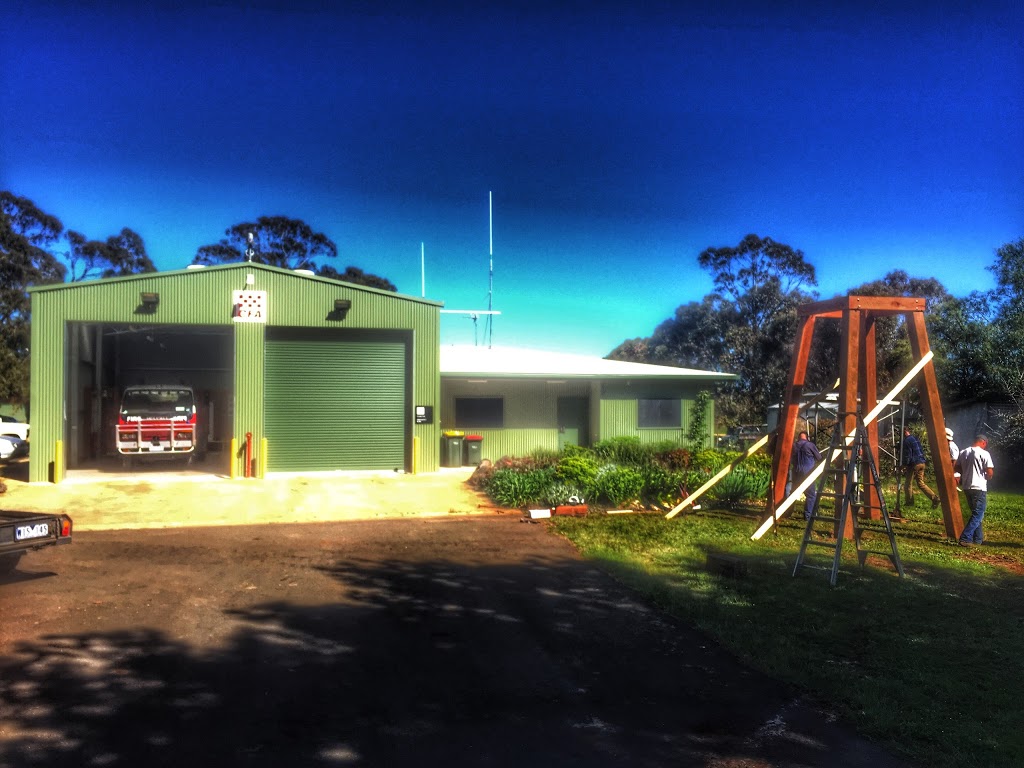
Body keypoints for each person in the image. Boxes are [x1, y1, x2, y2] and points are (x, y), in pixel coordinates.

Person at [956, 434, 995, 546]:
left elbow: (957, 467)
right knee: (978, 514)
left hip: (967, 486)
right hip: (979, 487)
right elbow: (990, 471)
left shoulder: (963, 452)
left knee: (975, 513)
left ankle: (978, 539)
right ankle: (965, 538)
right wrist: (988, 477)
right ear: (983, 442)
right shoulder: (984, 453)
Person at [901, 427, 939, 509]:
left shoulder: (906, 441)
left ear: (904, 432)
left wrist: (904, 465)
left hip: (914, 464)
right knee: (921, 483)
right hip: (922, 462)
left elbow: (908, 455)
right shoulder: (915, 438)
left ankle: (909, 503)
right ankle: (934, 498)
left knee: (908, 484)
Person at [791, 431, 822, 520]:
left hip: (796, 472)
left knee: (793, 493)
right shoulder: (810, 445)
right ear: (807, 438)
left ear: (798, 438)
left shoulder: (794, 445)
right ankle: (808, 515)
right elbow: (819, 458)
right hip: (807, 473)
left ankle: (787, 512)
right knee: (811, 495)